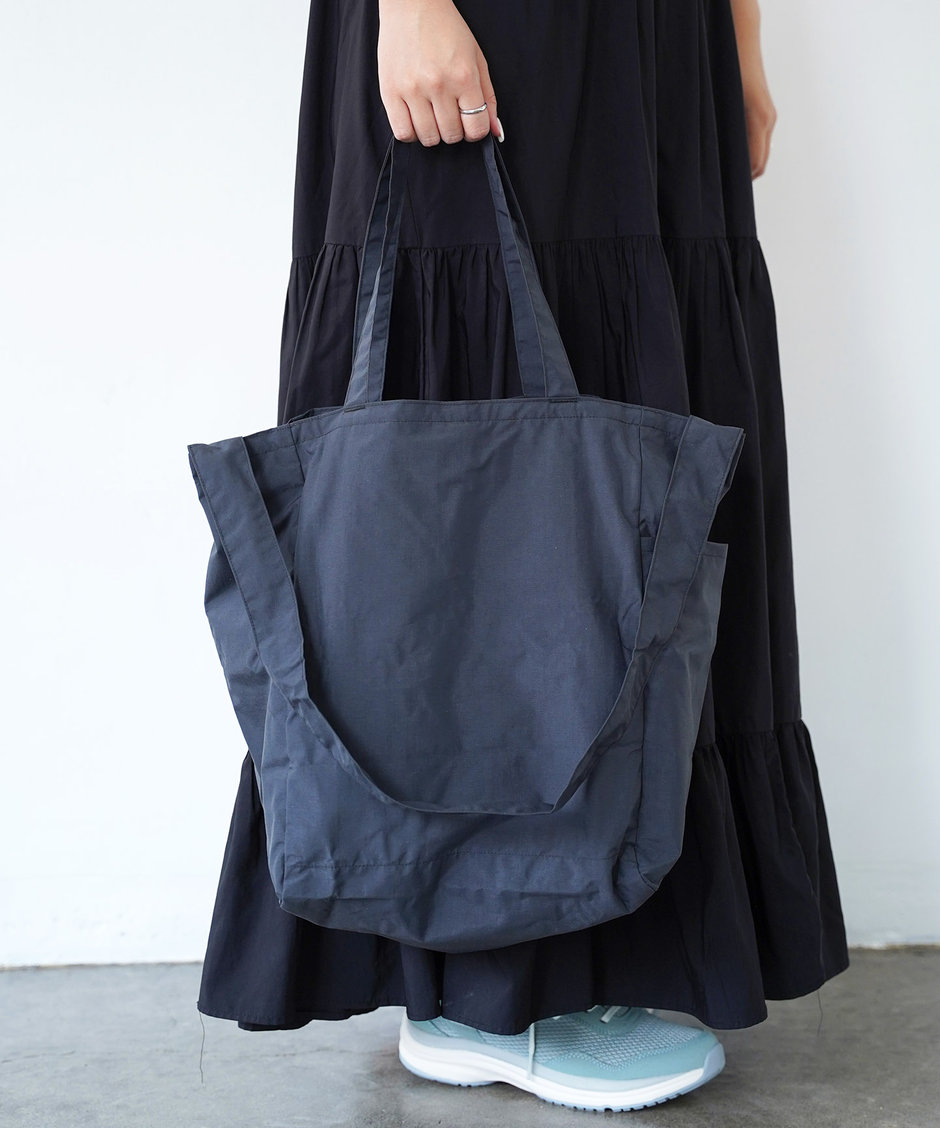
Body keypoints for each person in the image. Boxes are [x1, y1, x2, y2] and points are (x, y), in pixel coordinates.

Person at [197, 0, 850, 1112]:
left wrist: (739, 38)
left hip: (657, 44)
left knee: (639, 436)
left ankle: (601, 956)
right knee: (480, 433)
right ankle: (487, 991)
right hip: (496, 25)